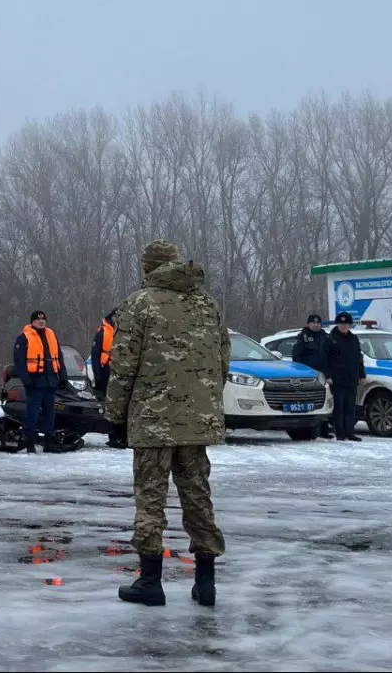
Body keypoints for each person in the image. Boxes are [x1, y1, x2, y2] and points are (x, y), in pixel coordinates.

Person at [106, 239, 229, 608]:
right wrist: (203, 403)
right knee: (198, 498)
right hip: (198, 420)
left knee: (151, 499)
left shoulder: (138, 304)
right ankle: (205, 584)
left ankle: (150, 582)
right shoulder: (207, 303)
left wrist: (115, 414)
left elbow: (123, 364)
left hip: (153, 420)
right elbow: (222, 358)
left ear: (147, 268)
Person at [13, 310, 69, 453]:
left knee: (50, 412)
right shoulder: (23, 337)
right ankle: (30, 442)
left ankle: (48, 442)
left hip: (51, 380)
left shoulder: (51, 334)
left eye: (43, 319)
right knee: (33, 412)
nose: (41, 321)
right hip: (34, 381)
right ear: (32, 322)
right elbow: (19, 361)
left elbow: (59, 357)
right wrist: (26, 380)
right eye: (38, 320)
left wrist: (63, 377)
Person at [293, 313, 335, 439]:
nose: (316, 325)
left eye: (318, 323)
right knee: (310, 401)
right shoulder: (303, 337)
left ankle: (324, 429)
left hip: (324, 374)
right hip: (308, 375)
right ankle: (310, 428)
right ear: (308, 324)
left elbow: (331, 357)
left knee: (325, 400)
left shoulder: (325, 336)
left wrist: (330, 375)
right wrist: (301, 374)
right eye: (313, 323)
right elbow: (296, 356)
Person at [327, 311, 366, 442]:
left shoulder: (354, 338)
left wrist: (361, 373)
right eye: (341, 323)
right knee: (339, 408)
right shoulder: (331, 338)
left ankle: (350, 432)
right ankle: (340, 433)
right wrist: (328, 376)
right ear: (337, 324)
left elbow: (358, 358)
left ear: (350, 325)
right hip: (338, 379)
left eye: (346, 324)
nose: (343, 326)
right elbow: (325, 359)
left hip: (351, 378)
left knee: (350, 407)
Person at [91, 308, 124, 447]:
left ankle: (122, 435)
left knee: (121, 404)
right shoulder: (102, 332)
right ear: (112, 317)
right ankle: (112, 435)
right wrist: (98, 374)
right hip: (106, 371)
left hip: (122, 371)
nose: (119, 319)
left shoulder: (125, 331)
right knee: (108, 404)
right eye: (117, 316)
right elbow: (95, 354)